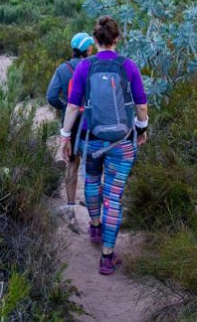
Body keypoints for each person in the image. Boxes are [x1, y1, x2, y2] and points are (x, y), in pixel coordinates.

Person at [59, 16, 148, 275]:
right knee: (113, 197)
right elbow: (141, 106)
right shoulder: (128, 66)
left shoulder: (84, 67)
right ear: (117, 39)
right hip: (122, 142)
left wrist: (65, 136)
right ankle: (107, 258)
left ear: (95, 40)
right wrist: (141, 129)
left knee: (91, 180)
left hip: (92, 138)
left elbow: (73, 106)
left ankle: (95, 226)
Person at [46, 32, 95, 226]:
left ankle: (70, 206)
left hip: (72, 124)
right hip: (92, 123)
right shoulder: (93, 67)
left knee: (72, 165)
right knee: (93, 167)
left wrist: (67, 108)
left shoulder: (63, 69)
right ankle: (94, 210)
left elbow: (51, 97)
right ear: (87, 49)